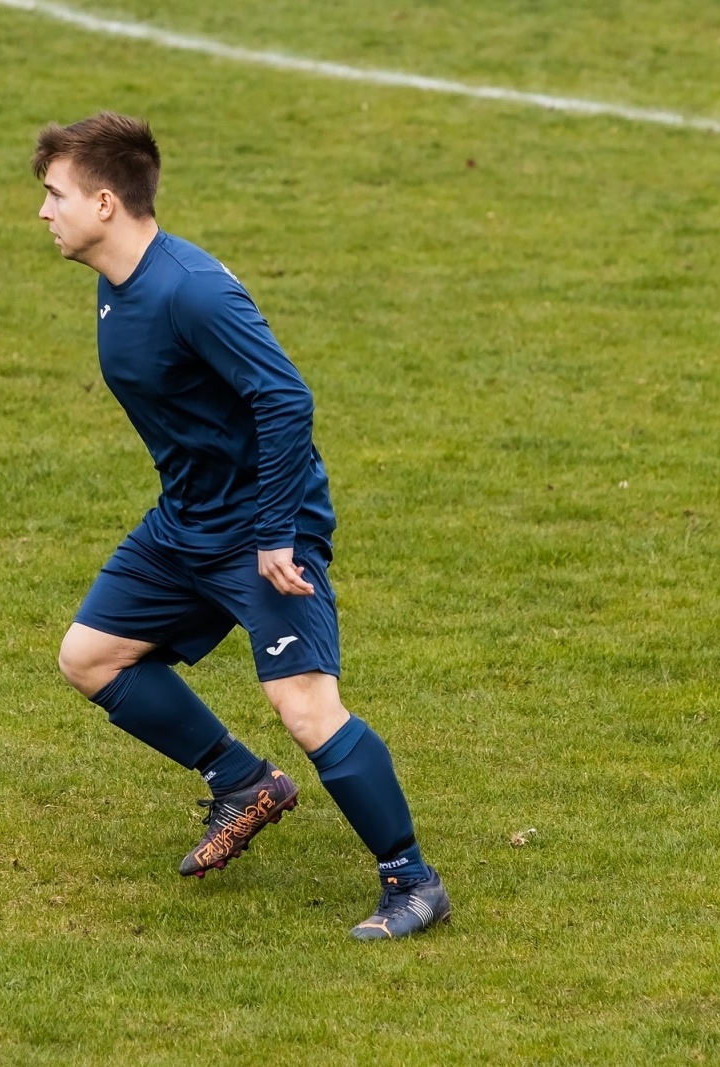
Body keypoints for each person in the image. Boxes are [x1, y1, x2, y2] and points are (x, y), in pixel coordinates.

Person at [33, 112, 450, 939]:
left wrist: (274, 532)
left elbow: (286, 398)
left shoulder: (192, 290)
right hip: (187, 520)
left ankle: (413, 880)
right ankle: (243, 781)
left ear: (106, 203)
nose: (43, 211)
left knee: (306, 706)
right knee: (89, 656)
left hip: (263, 526)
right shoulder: (117, 284)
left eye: (55, 194)